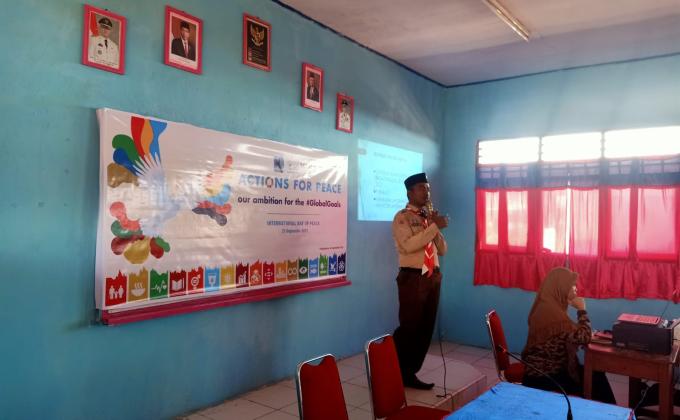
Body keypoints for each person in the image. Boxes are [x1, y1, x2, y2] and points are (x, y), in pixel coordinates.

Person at [522, 267, 615, 403]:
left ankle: (613, 411)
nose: (576, 289)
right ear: (560, 287)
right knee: (595, 378)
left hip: (541, 373)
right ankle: (613, 412)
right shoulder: (551, 313)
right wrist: (582, 310)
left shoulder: (547, 306)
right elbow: (584, 337)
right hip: (545, 378)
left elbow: (573, 334)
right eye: (572, 285)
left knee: (595, 375)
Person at [391, 172, 448, 389]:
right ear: (410, 193)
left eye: (428, 188)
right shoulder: (402, 217)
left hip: (432, 276)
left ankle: (409, 372)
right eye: (422, 188)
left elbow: (442, 250)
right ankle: (395, 368)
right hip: (413, 278)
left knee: (425, 327)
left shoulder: (427, 217)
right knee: (410, 327)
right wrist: (434, 227)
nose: (427, 192)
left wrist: (434, 227)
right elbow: (408, 245)